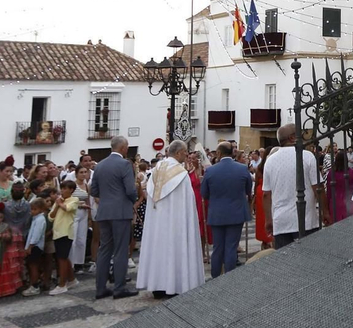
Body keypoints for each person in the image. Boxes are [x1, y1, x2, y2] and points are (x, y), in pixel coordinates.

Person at [137, 141, 205, 297]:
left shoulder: (155, 171)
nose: (187, 156)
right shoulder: (180, 175)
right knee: (174, 249)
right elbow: (188, 204)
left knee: (158, 249)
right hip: (175, 223)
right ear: (179, 153)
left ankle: (157, 286)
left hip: (157, 223)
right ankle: (174, 285)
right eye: (186, 153)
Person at [90, 136, 139, 300]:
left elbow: (94, 190)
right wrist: (132, 201)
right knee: (120, 250)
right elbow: (131, 190)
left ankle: (100, 288)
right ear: (123, 148)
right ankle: (119, 287)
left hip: (104, 211)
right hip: (121, 211)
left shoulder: (100, 165)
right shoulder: (125, 164)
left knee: (104, 249)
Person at [263, 124, 322, 249]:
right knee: (309, 258)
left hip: (281, 220)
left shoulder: (270, 161)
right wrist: (325, 211)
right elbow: (318, 188)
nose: (303, 138)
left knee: (285, 263)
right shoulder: (307, 156)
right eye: (300, 135)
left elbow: (266, 194)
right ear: (292, 138)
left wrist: (268, 219)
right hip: (306, 220)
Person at [201, 141, 253, 278]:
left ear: (218, 153)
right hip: (236, 213)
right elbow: (248, 190)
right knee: (231, 247)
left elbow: (204, 193)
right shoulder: (242, 169)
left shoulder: (210, 171)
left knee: (218, 247)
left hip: (217, 213)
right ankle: (229, 278)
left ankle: (215, 276)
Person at [47, 181, 80, 295]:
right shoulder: (59, 201)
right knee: (63, 257)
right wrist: (56, 205)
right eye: (62, 188)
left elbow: (68, 208)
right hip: (57, 232)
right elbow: (51, 217)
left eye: (65, 188)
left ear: (71, 190)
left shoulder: (74, 200)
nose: (63, 191)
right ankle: (72, 280)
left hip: (66, 232)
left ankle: (62, 284)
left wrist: (59, 203)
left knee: (62, 259)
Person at [22, 197, 51, 296]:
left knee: (33, 266)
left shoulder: (40, 220)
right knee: (31, 265)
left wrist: (30, 246)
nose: (32, 211)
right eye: (32, 209)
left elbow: (36, 235)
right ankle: (33, 284)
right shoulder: (36, 219)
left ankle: (34, 286)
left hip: (35, 246)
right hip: (32, 246)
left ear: (41, 209)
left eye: (35, 209)